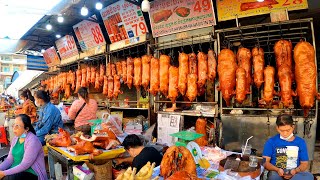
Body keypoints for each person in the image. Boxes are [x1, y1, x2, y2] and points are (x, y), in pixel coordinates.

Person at [262, 114, 313, 180]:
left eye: (288, 130)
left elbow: (304, 163)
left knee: (308, 176)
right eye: (282, 130)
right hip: (276, 173)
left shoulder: (300, 142)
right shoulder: (271, 141)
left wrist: (295, 171)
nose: (285, 133)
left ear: (293, 127)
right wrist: (277, 169)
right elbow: (264, 162)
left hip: (295, 173)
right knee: (273, 176)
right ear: (277, 128)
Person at [0, 114, 47, 180]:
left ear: (26, 129)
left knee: (7, 178)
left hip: (30, 172)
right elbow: (9, 159)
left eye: (17, 126)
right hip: (16, 170)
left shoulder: (33, 141)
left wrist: (4, 173)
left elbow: (24, 165)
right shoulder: (16, 138)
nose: (14, 128)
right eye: (14, 125)